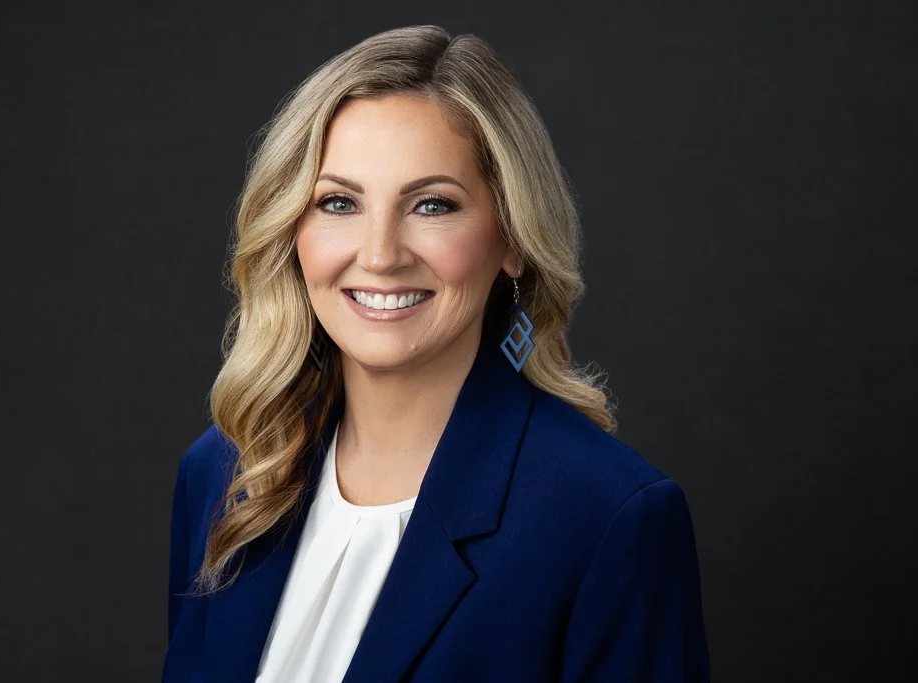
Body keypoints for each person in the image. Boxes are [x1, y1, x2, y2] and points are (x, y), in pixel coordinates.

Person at [162, 24, 710, 683]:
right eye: (339, 202)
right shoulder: (225, 472)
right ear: (291, 229)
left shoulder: (608, 520)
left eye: (431, 204)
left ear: (511, 237)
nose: (380, 254)